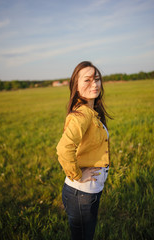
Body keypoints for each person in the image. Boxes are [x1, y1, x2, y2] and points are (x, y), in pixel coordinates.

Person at [56, 61, 111, 240]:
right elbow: (64, 148)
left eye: (96, 79)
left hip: (87, 192)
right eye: (87, 80)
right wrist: (78, 175)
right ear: (76, 86)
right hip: (82, 193)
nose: (94, 84)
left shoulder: (91, 111)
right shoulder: (82, 115)